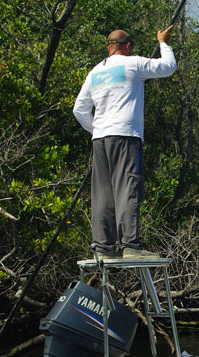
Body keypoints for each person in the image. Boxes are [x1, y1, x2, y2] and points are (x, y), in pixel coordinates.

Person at [73, 26, 178, 259]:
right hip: (126, 137)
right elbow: (169, 66)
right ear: (128, 46)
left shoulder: (95, 72)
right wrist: (163, 42)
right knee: (127, 188)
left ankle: (103, 248)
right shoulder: (134, 63)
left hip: (100, 140)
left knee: (102, 194)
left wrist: (98, 128)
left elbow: (79, 110)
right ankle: (130, 245)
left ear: (109, 47)